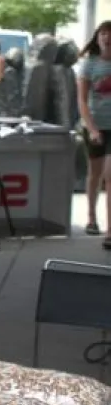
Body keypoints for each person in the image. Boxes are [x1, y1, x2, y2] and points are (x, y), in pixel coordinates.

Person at [77, 20, 111, 242]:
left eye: (110, 34)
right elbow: (82, 99)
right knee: (95, 174)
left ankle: (110, 231)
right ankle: (91, 217)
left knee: (110, 176)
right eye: (103, 34)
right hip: (95, 126)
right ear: (97, 38)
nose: (107, 38)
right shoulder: (89, 64)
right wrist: (91, 128)